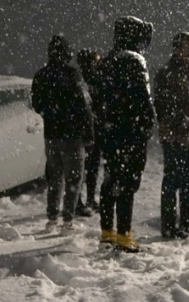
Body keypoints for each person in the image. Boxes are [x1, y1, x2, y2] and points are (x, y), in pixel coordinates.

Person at [96, 16, 156, 252]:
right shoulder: (134, 61)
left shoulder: (108, 60)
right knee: (128, 184)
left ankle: (107, 232)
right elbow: (143, 100)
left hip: (110, 133)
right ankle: (124, 235)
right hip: (130, 134)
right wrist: (147, 126)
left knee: (110, 181)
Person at [31, 35, 95, 234]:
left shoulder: (41, 75)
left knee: (55, 178)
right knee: (74, 179)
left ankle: (52, 218)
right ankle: (67, 220)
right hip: (72, 135)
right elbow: (83, 105)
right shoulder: (71, 74)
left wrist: (51, 113)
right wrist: (88, 132)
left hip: (51, 134)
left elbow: (36, 104)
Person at [154, 32, 189, 239]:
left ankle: (187, 220)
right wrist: (180, 125)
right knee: (172, 180)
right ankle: (168, 225)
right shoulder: (167, 73)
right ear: (177, 47)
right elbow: (163, 106)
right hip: (175, 135)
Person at [76, 48, 103, 216]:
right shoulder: (80, 82)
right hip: (84, 131)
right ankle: (77, 202)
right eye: (95, 62)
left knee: (92, 168)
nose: (97, 65)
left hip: (96, 130)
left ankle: (91, 199)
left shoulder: (97, 80)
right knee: (81, 169)